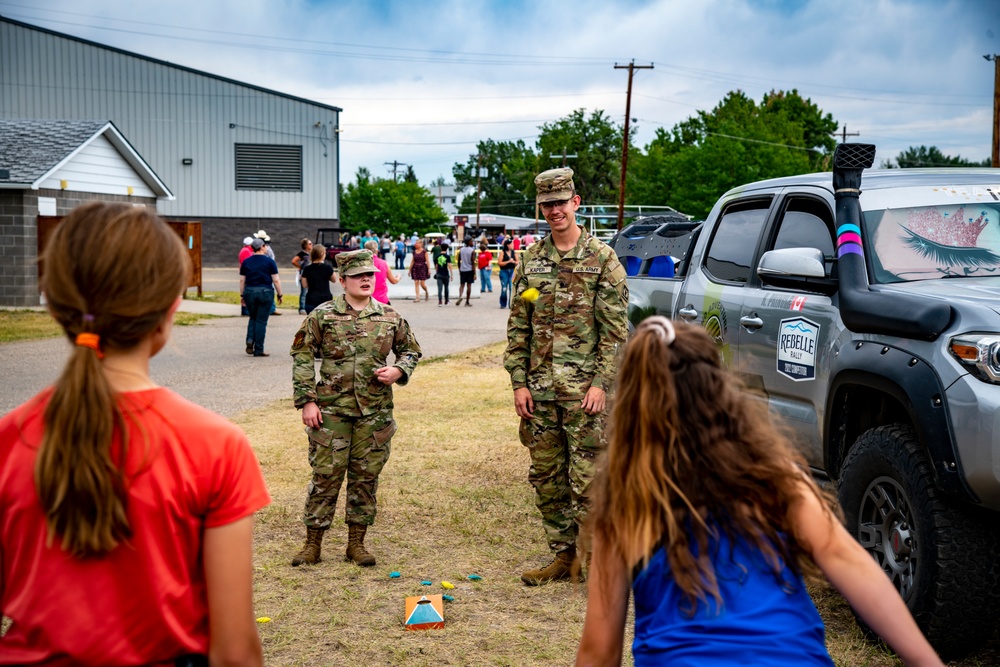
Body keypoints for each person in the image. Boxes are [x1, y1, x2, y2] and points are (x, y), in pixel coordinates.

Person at [575, 318, 944, 667]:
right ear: (719, 392)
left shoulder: (624, 504)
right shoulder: (774, 477)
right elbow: (851, 565)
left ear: (632, 406)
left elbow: (599, 650)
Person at [0, 202, 268, 666]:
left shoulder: (9, 438)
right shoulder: (216, 445)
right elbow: (235, 653)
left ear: (57, 303)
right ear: (171, 307)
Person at [504, 167, 629, 586]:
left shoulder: (602, 258)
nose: (555, 210)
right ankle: (564, 558)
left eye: (561, 202)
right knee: (547, 479)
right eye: (547, 204)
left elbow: (615, 331)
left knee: (590, 480)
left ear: (576, 203)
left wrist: (600, 384)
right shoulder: (531, 262)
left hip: (584, 394)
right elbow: (519, 324)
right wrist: (519, 383)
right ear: (540, 209)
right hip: (539, 393)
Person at [289, 249, 422, 568]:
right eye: (359, 275)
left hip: (374, 413)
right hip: (331, 412)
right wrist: (307, 399)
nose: (366, 279)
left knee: (365, 477)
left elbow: (412, 351)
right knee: (326, 476)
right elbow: (303, 355)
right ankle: (312, 544)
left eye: (370, 275)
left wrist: (399, 371)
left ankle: (356, 544)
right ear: (343, 279)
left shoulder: (390, 316)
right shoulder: (322, 315)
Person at [240, 238, 283, 356]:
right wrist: (280, 294)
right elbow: (276, 280)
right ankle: (258, 349)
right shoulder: (269, 262)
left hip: (249, 291)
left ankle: (249, 340)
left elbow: (242, 280)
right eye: (265, 246)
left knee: (253, 317)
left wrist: (242, 295)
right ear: (262, 247)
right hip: (265, 291)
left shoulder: (246, 262)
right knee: (261, 321)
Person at [300, 244, 335, 314]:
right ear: (322, 254)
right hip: (325, 300)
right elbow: (334, 279)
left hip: (311, 300)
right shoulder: (327, 267)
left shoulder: (307, 269)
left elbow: (304, 285)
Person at [364, 239, 401, 305]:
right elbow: (394, 281)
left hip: (365, 301)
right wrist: (398, 277)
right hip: (381, 300)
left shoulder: (362, 264)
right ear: (377, 250)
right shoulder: (383, 263)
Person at [293, 237, 313, 315]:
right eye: (310, 243)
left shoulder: (311, 253)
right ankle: (302, 307)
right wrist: (300, 267)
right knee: (304, 291)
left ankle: (308, 306)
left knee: (309, 291)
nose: (312, 245)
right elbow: (294, 261)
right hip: (304, 273)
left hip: (311, 274)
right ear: (305, 245)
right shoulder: (302, 254)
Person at [408, 238, 431, 303]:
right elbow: (412, 261)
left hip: (423, 267)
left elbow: (427, 261)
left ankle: (426, 290)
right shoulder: (414, 252)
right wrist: (409, 270)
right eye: (416, 243)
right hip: (415, 268)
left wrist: (429, 269)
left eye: (417, 243)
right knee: (416, 283)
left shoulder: (424, 252)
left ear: (421, 244)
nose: (416, 244)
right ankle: (417, 297)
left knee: (422, 284)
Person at [456, 237, 477, 307]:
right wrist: (474, 273)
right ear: (469, 242)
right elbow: (473, 262)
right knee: (469, 285)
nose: (472, 242)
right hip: (470, 269)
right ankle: (467, 301)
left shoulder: (461, 250)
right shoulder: (472, 251)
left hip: (463, 269)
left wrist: (459, 269)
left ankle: (460, 295)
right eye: (471, 241)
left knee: (462, 285)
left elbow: (458, 261)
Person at [498, 238, 516, 309]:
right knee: (504, 288)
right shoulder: (502, 252)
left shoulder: (514, 252)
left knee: (512, 288)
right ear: (507, 245)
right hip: (504, 271)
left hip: (512, 271)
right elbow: (499, 263)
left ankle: (511, 304)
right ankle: (503, 303)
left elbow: (517, 262)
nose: (512, 245)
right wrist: (508, 261)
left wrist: (514, 262)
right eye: (511, 244)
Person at [239, 236, 254, 316]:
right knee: (246, 291)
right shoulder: (247, 251)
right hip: (247, 274)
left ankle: (245, 309)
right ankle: (245, 310)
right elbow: (248, 263)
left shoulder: (244, 250)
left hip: (245, 273)